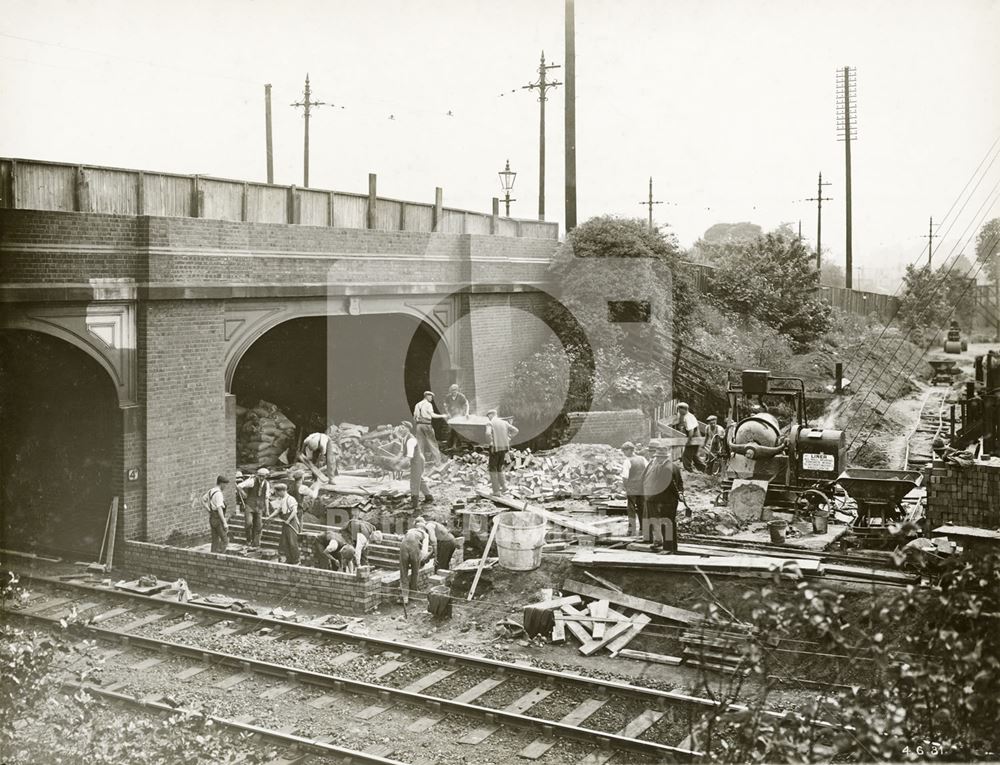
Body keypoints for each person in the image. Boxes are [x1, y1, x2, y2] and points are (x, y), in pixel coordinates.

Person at [642, 442, 683, 553]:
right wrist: (680, 494)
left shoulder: (665, 468)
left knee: (667, 524)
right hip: (671, 500)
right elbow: (680, 483)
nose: (657, 459)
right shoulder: (674, 466)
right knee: (671, 523)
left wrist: (654, 497)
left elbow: (666, 486)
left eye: (658, 457)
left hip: (666, 500)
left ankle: (668, 548)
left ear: (662, 457)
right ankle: (673, 548)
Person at [398, 421, 434, 511]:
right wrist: (395, 460)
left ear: (408, 429)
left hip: (418, 460)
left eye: (403, 427)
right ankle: (429, 497)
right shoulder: (403, 439)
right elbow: (402, 452)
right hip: (414, 459)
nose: (400, 429)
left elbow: (409, 456)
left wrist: (399, 466)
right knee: (419, 479)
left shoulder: (411, 440)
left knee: (414, 481)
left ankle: (414, 504)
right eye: (400, 427)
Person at [265, 483, 300, 565]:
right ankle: (289, 559)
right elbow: (278, 510)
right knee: (285, 541)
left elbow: (294, 511)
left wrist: (288, 520)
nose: (277, 494)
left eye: (277, 492)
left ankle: (296, 560)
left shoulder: (291, 499)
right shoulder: (282, 499)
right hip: (285, 521)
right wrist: (270, 517)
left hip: (291, 521)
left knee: (292, 542)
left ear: (282, 491)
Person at [486, 409, 519, 495]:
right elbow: (516, 430)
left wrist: (491, 442)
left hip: (495, 448)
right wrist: (509, 438)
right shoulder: (504, 422)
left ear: (491, 415)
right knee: (500, 467)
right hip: (504, 448)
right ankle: (504, 487)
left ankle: (496, 491)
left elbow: (488, 434)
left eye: (488, 416)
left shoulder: (490, 423)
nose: (488, 418)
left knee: (492, 468)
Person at [236, 468, 271, 549]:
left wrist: (267, 510)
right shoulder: (252, 481)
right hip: (250, 505)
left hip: (259, 507)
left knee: (258, 526)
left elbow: (266, 497)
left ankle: (256, 543)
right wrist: (243, 493)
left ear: (266, 476)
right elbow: (239, 486)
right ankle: (249, 540)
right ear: (258, 475)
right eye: (260, 476)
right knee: (248, 523)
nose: (261, 478)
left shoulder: (267, 484)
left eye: (263, 476)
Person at [619, 442, 648, 537]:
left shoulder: (628, 461)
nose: (624, 453)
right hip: (642, 488)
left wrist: (626, 488)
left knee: (631, 509)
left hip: (632, 488)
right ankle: (643, 529)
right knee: (642, 508)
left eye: (624, 451)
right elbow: (648, 472)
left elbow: (625, 477)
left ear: (629, 450)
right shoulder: (643, 459)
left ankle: (631, 530)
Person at [398, 524, 430, 606]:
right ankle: (412, 594)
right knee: (415, 572)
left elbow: (402, 539)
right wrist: (420, 560)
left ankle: (404, 597)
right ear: (424, 529)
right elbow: (425, 550)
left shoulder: (410, 531)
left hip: (403, 546)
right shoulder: (425, 535)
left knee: (403, 572)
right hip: (414, 547)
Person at [412, 391, 447, 465]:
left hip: (419, 426)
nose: (431, 398)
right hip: (427, 425)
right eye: (430, 396)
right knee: (433, 444)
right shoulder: (428, 404)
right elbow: (432, 415)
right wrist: (442, 416)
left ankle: (420, 463)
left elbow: (414, 417)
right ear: (426, 396)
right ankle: (438, 462)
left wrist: (418, 423)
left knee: (420, 445)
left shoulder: (417, 404)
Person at [674, 402, 706, 472]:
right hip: (697, 438)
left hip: (694, 439)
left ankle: (689, 471)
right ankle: (704, 469)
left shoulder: (687, 417)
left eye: (679, 410)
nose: (678, 411)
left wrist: (689, 441)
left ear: (684, 409)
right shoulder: (690, 416)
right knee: (694, 456)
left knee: (685, 456)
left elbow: (691, 431)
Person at [204, 475, 230, 553]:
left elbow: (203, 500)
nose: (225, 486)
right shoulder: (218, 494)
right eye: (225, 484)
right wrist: (225, 523)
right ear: (221, 483)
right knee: (225, 540)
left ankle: (213, 556)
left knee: (215, 540)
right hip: (218, 519)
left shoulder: (211, 490)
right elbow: (219, 509)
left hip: (212, 518)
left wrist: (209, 510)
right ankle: (220, 556)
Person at [442, 383, 471, 453]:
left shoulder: (461, 396)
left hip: (459, 415)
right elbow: (445, 405)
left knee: (457, 430)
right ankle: (451, 445)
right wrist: (447, 413)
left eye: (455, 391)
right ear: (450, 391)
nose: (454, 392)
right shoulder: (448, 397)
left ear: (457, 390)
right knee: (450, 430)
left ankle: (456, 445)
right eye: (452, 391)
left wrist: (467, 413)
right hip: (451, 416)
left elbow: (467, 404)